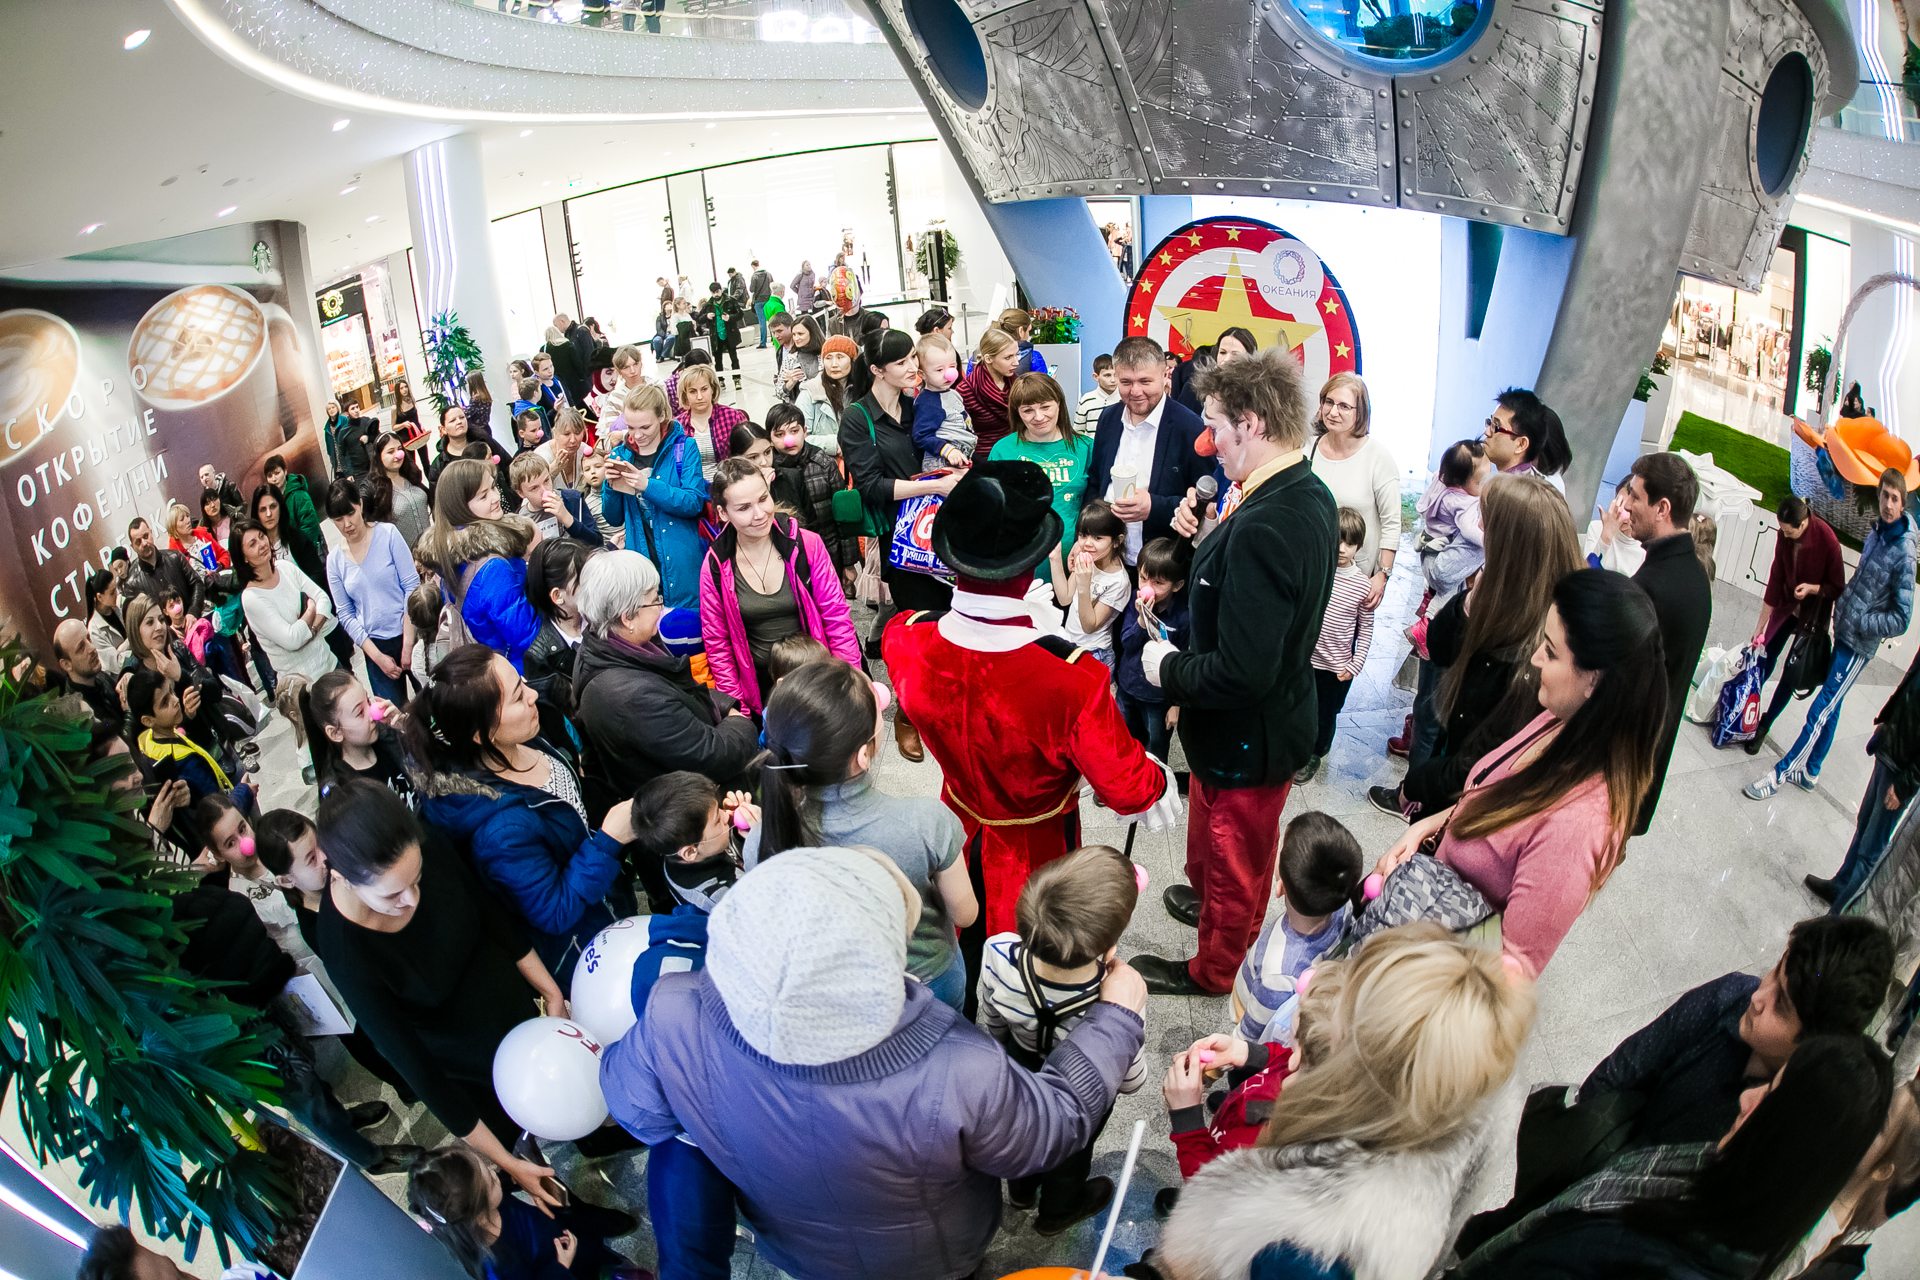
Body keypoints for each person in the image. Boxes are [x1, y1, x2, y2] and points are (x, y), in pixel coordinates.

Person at [599, 845, 1150, 1280]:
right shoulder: (961, 1067)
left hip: (796, 1247)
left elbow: (636, 1110)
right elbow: (1049, 1129)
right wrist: (1115, 1020)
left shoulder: (671, 1010)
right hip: (930, 1258)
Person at [884, 461, 1176, 1013]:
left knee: (962, 946)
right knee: (1032, 966)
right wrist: (1157, 778)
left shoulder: (906, 637)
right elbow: (1128, 788)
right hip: (1036, 846)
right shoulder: (1073, 679)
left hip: (953, 826)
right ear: (1026, 569)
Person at [1458, 915, 1895, 1255]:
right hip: (1596, 1162)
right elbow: (1626, 1067)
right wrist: (1572, 1149)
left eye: (1781, 1006)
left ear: (1814, 1043)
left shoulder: (1792, 1121)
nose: (1759, 996)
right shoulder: (1729, 999)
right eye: (1774, 972)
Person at [1155, 924, 1536, 1280]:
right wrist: (1251, 1054)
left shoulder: (1308, 1253)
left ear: (1356, 1075)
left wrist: (1188, 1123)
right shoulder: (1437, 1099)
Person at [1134, 349, 1336, 998]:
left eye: (1215, 426)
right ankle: (1221, 912)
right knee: (1228, 851)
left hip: (1247, 732)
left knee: (1233, 860)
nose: (1207, 442)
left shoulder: (1267, 526)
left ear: (1250, 424)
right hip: (1257, 724)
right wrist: (1204, 545)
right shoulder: (1301, 489)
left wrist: (1169, 668)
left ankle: (1215, 968)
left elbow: (1243, 672)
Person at [1376, 568, 1667, 976]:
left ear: (1594, 681)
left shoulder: (1578, 824)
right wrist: (1425, 828)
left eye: (1551, 651)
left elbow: (1509, 971)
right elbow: (1490, 797)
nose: (1535, 659)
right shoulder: (1562, 719)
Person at [314, 779, 569, 1214]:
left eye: (416, 880)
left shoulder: (421, 847)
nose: (412, 899)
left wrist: (549, 989)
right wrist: (509, 1163)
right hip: (468, 1063)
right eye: (392, 894)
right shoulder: (345, 951)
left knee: (564, 1083)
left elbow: (491, 916)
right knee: (523, 1147)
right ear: (340, 876)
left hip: (510, 1001)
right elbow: (418, 1070)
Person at [1448, 1033, 1893, 1280]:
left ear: (1785, 1152)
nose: (1746, 1100)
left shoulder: (1662, 1261)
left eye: (1769, 1099)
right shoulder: (1704, 1176)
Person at [746, 662, 979, 1009]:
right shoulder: (927, 821)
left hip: (834, 991)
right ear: (863, 755)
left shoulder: (762, 839)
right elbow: (966, 914)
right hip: (927, 980)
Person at [408, 645, 635, 985]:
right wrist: (608, 842)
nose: (532, 695)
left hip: (604, 895)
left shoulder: (522, 737)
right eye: (517, 696)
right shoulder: (501, 831)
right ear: (482, 734)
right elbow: (555, 911)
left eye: (522, 682)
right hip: (586, 947)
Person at [1370, 475, 1584, 820]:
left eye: (1488, 521)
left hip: (1469, 805)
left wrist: (1418, 785)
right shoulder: (1504, 594)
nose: (1479, 527)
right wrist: (1471, 601)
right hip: (1454, 774)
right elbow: (1439, 646)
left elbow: (1483, 759)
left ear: (1512, 544)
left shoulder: (1541, 647)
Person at [975, 844, 1145, 1233]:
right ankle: (1057, 1212)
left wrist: (1001, 1046)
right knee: (1072, 1153)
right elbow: (1131, 1080)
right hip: (1085, 1089)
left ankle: (1020, 1192)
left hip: (1017, 1068)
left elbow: (993, 1017)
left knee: (1019, 1131)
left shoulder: (997, 953)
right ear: (1109, 946)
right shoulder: (1116, 996)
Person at [1749, 467, 1916, 800]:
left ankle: (1780, 775)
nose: (1887, 504)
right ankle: (1811, 771)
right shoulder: (1878, 534)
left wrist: (1863, 623)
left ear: (1903, 503)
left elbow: (1902, 618)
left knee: (1820, 710)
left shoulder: (1904, 552)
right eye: (1884, 495)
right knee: (1833, 706)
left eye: (1894, 498)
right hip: (1845, 632)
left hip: (1858, 644)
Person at [571, 550, 760, 816]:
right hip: (687, 810)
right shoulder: (631, 697)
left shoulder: (608, 645)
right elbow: (713, 756)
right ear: (627, 617)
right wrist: (740, 721)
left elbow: (681, 688)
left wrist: (726, 704)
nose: (661, 608)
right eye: (654, 600)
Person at [839, 328, 965, 674]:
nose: (913, 367)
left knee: (955, 628)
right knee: (924, 634)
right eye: (901, 362)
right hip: (903, 542)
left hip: (943, 532)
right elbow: (870, 487)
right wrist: (933, 486)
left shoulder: (917, 406)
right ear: (877, 370)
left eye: (912, 357)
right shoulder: (858, 417)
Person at [1602, 451, 1712, 833]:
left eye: (1635, 496)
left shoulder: (1653, 586)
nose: (1626, 506)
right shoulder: (1693, 575)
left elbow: (1615, 682)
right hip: (1642, 766)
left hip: (1617, 770)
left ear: (1662, 508)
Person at [697, 458, 860, 715]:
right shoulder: (715, 565)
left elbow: (836, 619)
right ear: (723, 513)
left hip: (816, 681)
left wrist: (846, 684)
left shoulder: (807, 545)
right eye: (744, 508)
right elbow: (718, 644)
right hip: (759, 691)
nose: (759, 514)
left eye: (763, 499)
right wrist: (737, 709)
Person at [407, 1143, 643, 1280]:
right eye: (490, 1178)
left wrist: (517, 1175)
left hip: (563, 1241)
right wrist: (560, 1267)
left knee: (602, 1263)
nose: (494, 1170)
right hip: (563, 1268)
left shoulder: (483, 1205)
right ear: (477, 1207)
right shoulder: (499, 1265)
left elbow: (503, 1183)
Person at [1230, 810, 1364, 1045]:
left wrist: (1230, 1053)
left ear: (1280, 886)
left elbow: (1249, 1035)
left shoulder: (1276, 974)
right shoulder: (1343, 907)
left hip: (1254, 1006)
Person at [1084, 335, 1212, 570]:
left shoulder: (1191, 428)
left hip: (1164, 567)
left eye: (1145, 381)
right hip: (1110, 562)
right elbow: (1096, 483)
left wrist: (1155, 506)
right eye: (1126, 382)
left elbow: (1207, 502)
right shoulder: (1108, 418)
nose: (1135, 391)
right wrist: (1085, 538)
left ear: (1165, 375)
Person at [1742, 497, 1846, 757]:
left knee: (1792, 671)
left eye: (1789, 532)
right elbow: (1776, 577)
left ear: (1803, 524)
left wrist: (1812, 589)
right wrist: (1760, 626)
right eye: (1782, 530)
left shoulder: (1827, 540)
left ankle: (1765, 724)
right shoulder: (1784, 534)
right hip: (1787, 603)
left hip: (1813, 613)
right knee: (1767, 653)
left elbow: (1837, 587)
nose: (1784, 535)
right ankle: (1747, 707)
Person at [415, 458, 542, 668]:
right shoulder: (492, 568)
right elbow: (527, 635)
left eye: (493, 487)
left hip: (491, 664)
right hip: (520, 667)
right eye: (483, 496)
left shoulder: (450, 554)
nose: (495, 497)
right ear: (459, 508)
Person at [601, 383, 708, 610]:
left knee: (686, 625)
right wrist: (610, 486)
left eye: (645, 427)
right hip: (642, 566)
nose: (637, 435)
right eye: (630, 427)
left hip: (683, 564)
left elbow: (693, 503)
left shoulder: (684, 448)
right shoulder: (620, 454)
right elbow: (613, 518)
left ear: (661, 417)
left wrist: (647, 485)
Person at [1308, 372, 1400, 613]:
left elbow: (1391, 522)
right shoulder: (1307, 448)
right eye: (1329, 402)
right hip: (1310, 571)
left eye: (1344, 406)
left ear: (1360, 413)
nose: (1333, 411)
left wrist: (1383, 575)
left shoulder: (1378, 457)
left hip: (1354, 579)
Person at [324, 479, 418, 705]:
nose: (347, 524)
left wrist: (408, 642)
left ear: (360, 505)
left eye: (350, 513)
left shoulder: (388, 534)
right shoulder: (334, 561)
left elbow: (411, 585)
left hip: (410, 632)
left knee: (434, 705)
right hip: (375, 645)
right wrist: (377, 657)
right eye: (339, 519)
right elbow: (345, 613)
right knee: (391, 716)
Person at [1298, 507, 1374, 784]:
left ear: (1359, 547)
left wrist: (1356, 663)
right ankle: (1299, 746)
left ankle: (1316, 752)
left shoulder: (1363, 586)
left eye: (1349, 543)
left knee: (1326, 712)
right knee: (1302, 706)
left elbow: (1366, 628)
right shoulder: (1317, 571)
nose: (1342, 548)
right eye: (1337, 540)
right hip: (1307, 660)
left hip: (1337, 667)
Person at [990, 371, 1095, 564]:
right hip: (1019, 559)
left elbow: (1097, 505)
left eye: (1045, 407)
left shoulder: (1085, 447)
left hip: (1075, 559)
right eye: (1027, 410)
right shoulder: (1002, 450)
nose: (1038, 417)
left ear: (1059, 404)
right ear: (1017, 412)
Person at [233, 517, 338, 685]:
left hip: (331, 664)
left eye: (261, 536)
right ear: (243, 557)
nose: (262, 544)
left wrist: (310, 631)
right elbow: (292, 639)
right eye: (252, 544)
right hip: (305, 686)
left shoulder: (285, 567)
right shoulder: (251, 597)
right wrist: (311, 609)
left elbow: (324, 600)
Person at [765, 402, 859, 586]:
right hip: (785, 558)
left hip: (827, 551)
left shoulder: (824, 464)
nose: (788, 439)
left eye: (794, 431)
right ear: (770, 439)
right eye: (779, 434)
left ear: (805, 431)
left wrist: (849, 562)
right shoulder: (769, 472)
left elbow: (844, 516)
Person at [1116, 537, 1190, 762]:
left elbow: (1185, 659)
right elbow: (1127, 644)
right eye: (1143, 578)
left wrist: (1177, 704)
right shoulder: (1133, 601)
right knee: (1124, 739)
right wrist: (1141, 620)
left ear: (1176, 585)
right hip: (1128, 686)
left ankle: (1156, 779)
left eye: (1158, 582)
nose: (1147, 587)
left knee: (1156, 747)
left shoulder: (1183, 617)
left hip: (1159, 698)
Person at [300, 668, 416, 805]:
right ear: (335, 733)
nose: (373, 715)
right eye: (360, 712)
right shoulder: (344, 795)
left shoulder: (388, 736)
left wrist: (406, 725)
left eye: (368, 701)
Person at [1041, 499, 1130, 669]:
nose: (1088, 543)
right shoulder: (1088, 557)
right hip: (1071, 643)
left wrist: (1084, 585)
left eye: (1098, 537)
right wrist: (1055, 558)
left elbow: (1089, 626)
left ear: (1117, 541)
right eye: (1083, 535)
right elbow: (1065, 598)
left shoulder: (1118, 582)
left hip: (1095, 653)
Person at [1417, 437, 1492, 599]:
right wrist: (1493, 542)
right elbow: (1471, 531)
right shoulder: (1461, 502)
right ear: (1459, 482)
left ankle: (1429, 599)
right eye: (1481, 482)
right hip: (1440, 554)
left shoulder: (1440, 478)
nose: (1486, 485)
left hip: (1429, 541)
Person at [1482, 386, 1574, 493]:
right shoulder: (1505, 485)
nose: (1486, 432)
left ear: (1521, 444)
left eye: (1496, 426)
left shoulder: (1528, 496)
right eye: (1490, 423)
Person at [508, 452, 606, 551]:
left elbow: (597, 543)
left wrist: (568, 519)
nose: (545, 491)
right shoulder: (521, 521)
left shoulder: (572, 499)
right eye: (534, 488)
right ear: (521, 493)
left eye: (546, 481)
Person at [911, 333, 973, 469]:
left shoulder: (953, 394)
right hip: (941, 460)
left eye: (952, 367)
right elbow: (920, 435)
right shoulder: (927, 402)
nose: (949, 374)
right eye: (939, 370)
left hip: (961, 455)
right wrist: (947, 450)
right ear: (922, 374)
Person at [124, 516, 204, 620]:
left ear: (151, 533)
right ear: (133, 547)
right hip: (162, 630)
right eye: (138, 542)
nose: (144, 543)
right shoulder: (132, 583)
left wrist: (193, 612)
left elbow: (197, 583)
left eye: (146, 536)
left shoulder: (175, 557)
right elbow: (137, 619)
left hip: (192, 623)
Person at [958, 327, 1022, 456]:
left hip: (1016, 450)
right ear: (988, 359)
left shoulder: (1016, 383)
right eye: (1008, 357)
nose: (1016, 362)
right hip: (983, 458)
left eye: (1016, 354)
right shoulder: (965, 391)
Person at [367, 429, 433, 548]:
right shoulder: (377, 491)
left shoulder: (412, 477)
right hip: (406, 555)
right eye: (390, 452)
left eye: (399, 449)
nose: (398, 455)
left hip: (431, 548)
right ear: (379, 457)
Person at [675, 363, 748, 467]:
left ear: (712, 389)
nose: (699, 397)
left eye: (704, 389)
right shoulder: (676, 426)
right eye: (692, 391)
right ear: (685, 394)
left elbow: (750, 452)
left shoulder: (733, 417)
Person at [265, 453, 326, 551]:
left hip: (310, 550)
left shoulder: (299, 495)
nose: (274, 479)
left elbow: (309, 526)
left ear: (285, 471)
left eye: (277, 473)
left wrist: (301, 550)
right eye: (270, 475)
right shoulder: (271, 500)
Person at [698, 282, 744, 391]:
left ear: (721, 290)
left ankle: (737, 379)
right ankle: (720, 380)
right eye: (713, 293)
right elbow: (699, 318)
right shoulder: (708, 305)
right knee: (718, 360)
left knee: (734, 358)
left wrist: (730, 317)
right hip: (716, 336)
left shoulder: (731, 301)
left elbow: (740, 314)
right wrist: (706, 316)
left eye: (717, 292)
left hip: (730, 334)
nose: (715, 294)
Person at [85, 567, 129, 673]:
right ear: (100, 597)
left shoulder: (122, 603)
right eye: (112, 592)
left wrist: (121, 649)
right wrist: (134, 642)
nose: (116, 594)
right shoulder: (94, 629)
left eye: (116, 588)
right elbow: (116, 664)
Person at [324, 395, 375, 481]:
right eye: (329, 409)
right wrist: (347, 472)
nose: (356, 410)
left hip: (370, 463)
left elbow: (376, 436)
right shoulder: (330, 428)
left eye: (357, 407)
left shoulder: (364, 421)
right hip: (354, 467)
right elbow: (338, 451)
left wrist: (368, 438)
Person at [544, 325, 589, 408]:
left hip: (557, 383)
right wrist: (583, 377)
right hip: (572, 381)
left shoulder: (544, 349)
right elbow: (577, 363)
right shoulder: (567, 344)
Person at [1075, 352, 1119, 436]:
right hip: (1092, 444)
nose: (1113, 380)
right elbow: (1078, 432)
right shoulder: (1086, 400)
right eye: (1107, 375)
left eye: (1116, 375)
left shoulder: (1125, 399)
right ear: (1096, 377)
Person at [749, 259, 774, 347]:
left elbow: (752, 289)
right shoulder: (768, 274)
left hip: (759, 301)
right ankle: (774, 339)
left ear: (753, 266)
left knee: (762, 322)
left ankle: (763, 343)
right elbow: (772, 286)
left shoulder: (754, 276)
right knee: (771, 320)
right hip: (768, 300)